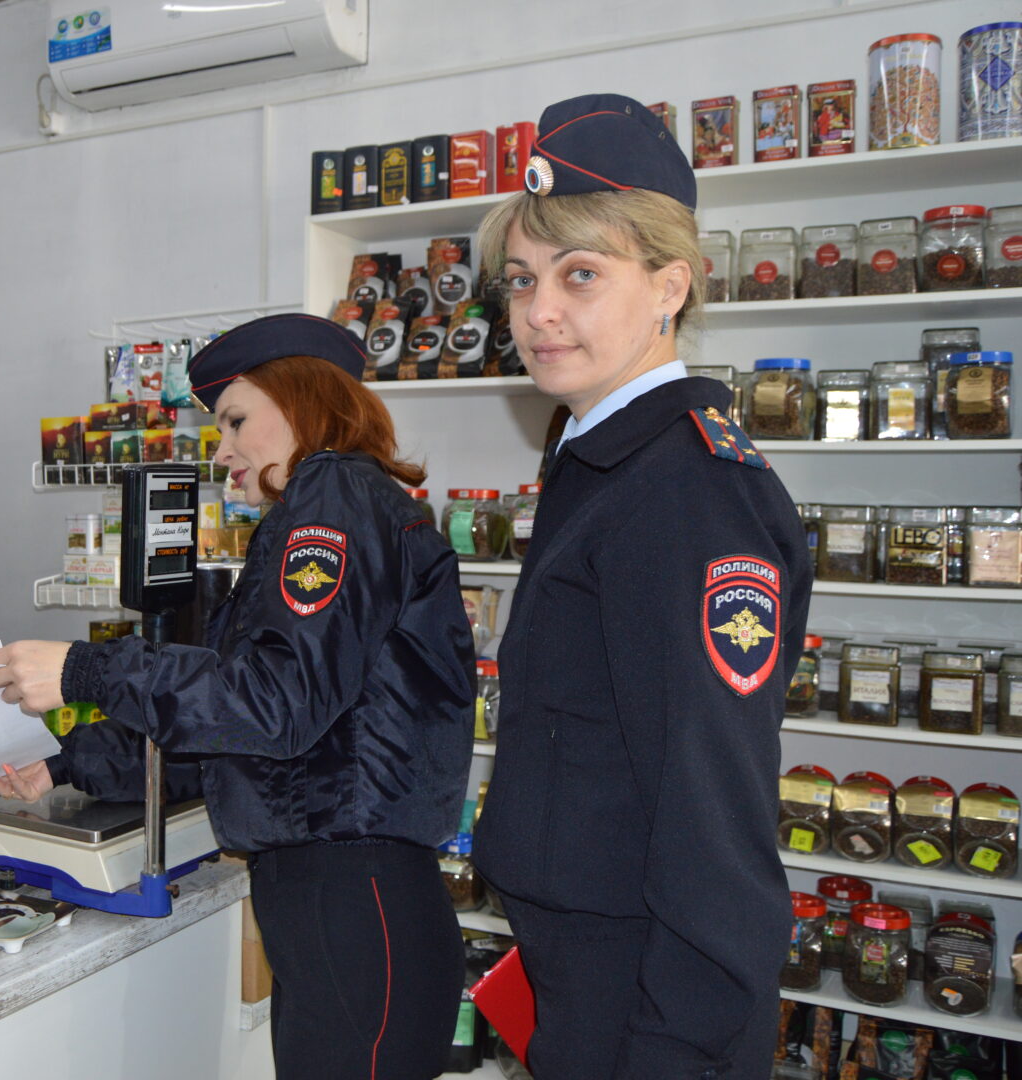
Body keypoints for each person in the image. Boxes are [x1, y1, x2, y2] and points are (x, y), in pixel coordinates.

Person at [0, 314, 474, 1080]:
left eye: (235, 421)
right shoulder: (339, 507)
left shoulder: (332, 496)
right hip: (343, 903)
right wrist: (63, 764)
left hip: (350, 901)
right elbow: (246, 741)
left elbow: (272, 704)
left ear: (302, 401)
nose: (222, 451)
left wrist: (85, 671)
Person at [470, 94, 813, 1080]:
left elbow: (711, 826)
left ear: (670, 287)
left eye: (580, 275)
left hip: (649, 1000)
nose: (537, 312)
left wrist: (677, 1054)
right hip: (585, 966)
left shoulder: (684, 491)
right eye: (522, 280)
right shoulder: (599, 457)